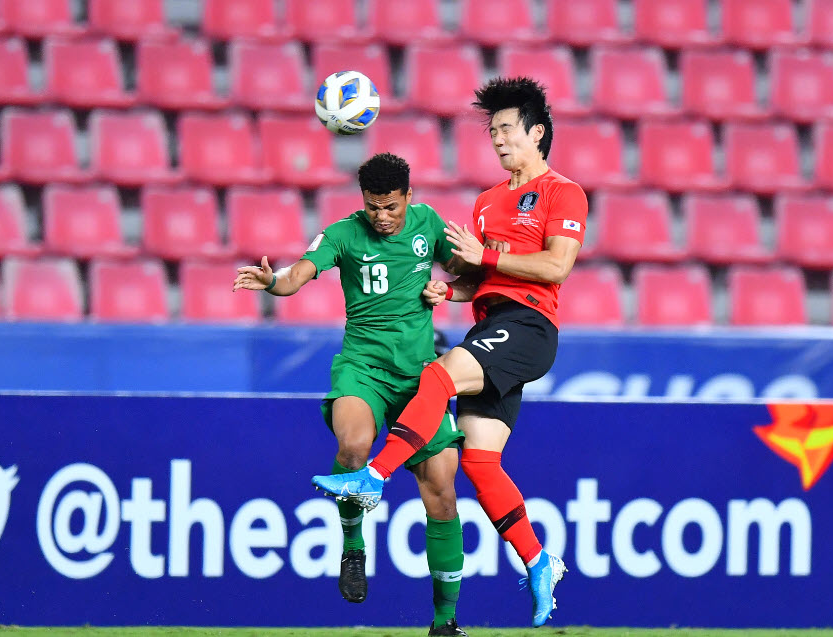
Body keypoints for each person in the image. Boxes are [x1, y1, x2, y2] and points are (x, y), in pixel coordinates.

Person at [312, 77, 588, 628]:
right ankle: (538, 561)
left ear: (537, 132)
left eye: (507, 129)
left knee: (437, 375)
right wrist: (449, 288)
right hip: (491, 324)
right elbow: (478, 276)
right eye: (492, 132)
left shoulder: (563, 192)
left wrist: (486, 255)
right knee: (481, 463)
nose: (499, 140)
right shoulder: (486, 202)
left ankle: (374, 478)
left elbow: (555, 267)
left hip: (529, 324)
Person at [233, 153, 470, 637]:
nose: (382, 216)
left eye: (391, 207)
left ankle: (445, 623)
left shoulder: (430, 225)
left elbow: (469, 276)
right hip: (362, 368)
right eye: (373, 207)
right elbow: (298, 274)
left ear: (409, 196)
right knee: (354, 447)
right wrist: (273, 283)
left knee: (443, 496)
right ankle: (353, 544)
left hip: (421, 378)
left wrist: (444, 289)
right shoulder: (343, 233)